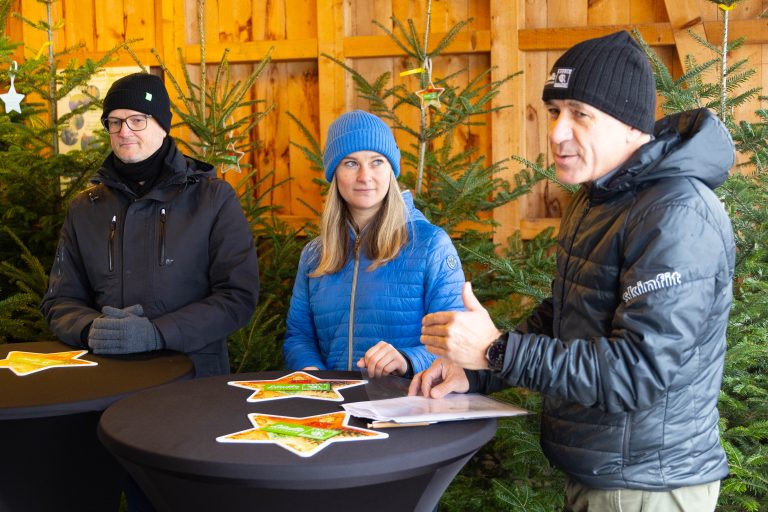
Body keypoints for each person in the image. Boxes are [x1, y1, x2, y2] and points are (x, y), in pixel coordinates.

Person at [410, 31, 735, 512]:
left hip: (647, 488)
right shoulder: (601, 196)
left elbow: (637, 372)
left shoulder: (675, 214)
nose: (558, 132)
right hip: (608, 475)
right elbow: (569, 313)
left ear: (631, 126)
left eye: (581, 114)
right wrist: (476, 372)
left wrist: (497, 351)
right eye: (555, 111)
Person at [41, 72, 260, 377]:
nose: (124, 131)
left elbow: (238, 296)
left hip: (192, 377)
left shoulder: (212, 199)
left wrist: (159, 333)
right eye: (114, 122)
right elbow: (60, 299)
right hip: (106, 376)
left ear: (162, 124)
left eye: (137, 120)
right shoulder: (85, 209)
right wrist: (89, 329)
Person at [283, 109, 465, 378]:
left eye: (377, 161)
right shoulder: (314, 254)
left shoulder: (431, 245)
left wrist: (406, 359)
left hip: (406, 407)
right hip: (333, 408)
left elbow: (457, 338)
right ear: (334, 174)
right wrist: (312, 374)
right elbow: (298, 336)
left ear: (391, 168)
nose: (365, 176)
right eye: (351, 163)